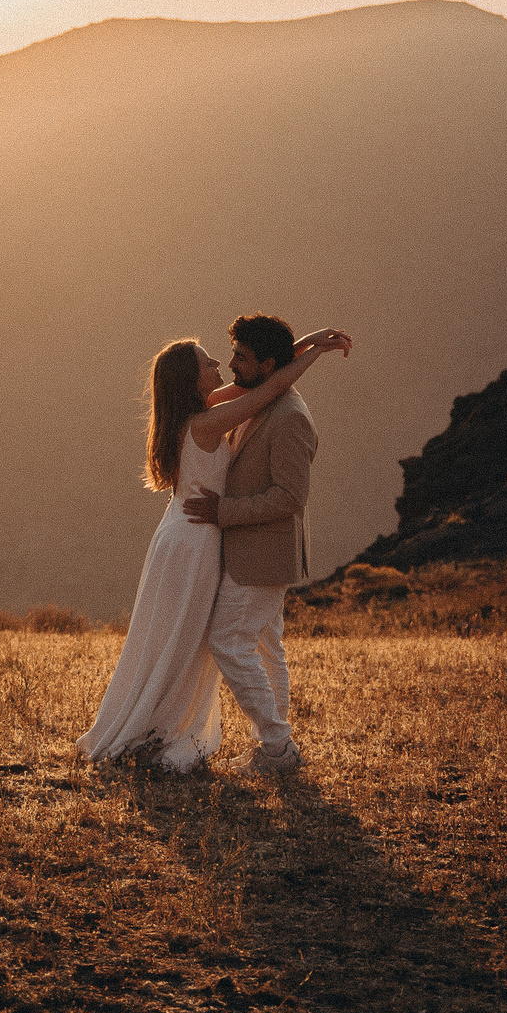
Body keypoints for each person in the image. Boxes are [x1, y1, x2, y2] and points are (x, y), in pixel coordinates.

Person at [79, 321, 350, 771]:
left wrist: (308, 342)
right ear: (193, 379)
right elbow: (273, 383)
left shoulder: (198, 410)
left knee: (186, 637)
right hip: (194, 540)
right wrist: (317, 349)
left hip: (185, 535)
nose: (219, 365)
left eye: (226, 357)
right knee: (187, 638)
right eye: (208, 363)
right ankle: (251, 739)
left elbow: (272, 374)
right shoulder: (207, 421)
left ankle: (259, 740)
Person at [181, 312, 321, 775]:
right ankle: (275, 748)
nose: (232, 364)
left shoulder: (290, 419)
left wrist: (223, 512)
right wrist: (311, 345)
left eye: (241, 357)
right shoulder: (262, 398)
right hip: (251, 553)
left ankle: (278, 747)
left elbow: (289, 498)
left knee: (227, 640)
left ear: (267, 364)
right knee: (266, 646)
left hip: (261, 556)